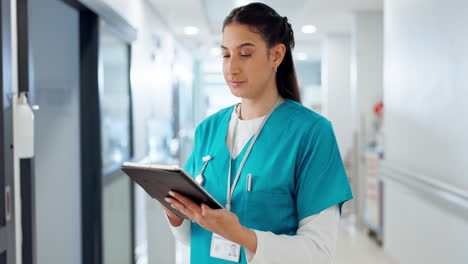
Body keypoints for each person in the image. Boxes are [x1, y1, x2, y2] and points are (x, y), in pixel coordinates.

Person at [159, 2, 353, 263]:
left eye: (245, 54)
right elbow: (193, 236)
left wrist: (240, 235)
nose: (232, 68)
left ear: (276, 55)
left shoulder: (311, 133)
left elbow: (318, 253)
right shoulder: (208, 129)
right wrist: (176, 215)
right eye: (226, 55)